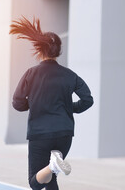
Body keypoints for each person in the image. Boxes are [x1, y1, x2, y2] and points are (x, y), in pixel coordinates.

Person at [10, 16, 94, 190]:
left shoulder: (31, 74)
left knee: (35, 182)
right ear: (59, 51)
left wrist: (33, 104)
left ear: (39, 50)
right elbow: (87, 100)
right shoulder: (70, 75)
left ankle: (52, 165)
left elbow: (17, 103)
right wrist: (69, 108)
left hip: (40, 134)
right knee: (51, 179)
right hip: (64, 134)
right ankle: (54, 165)